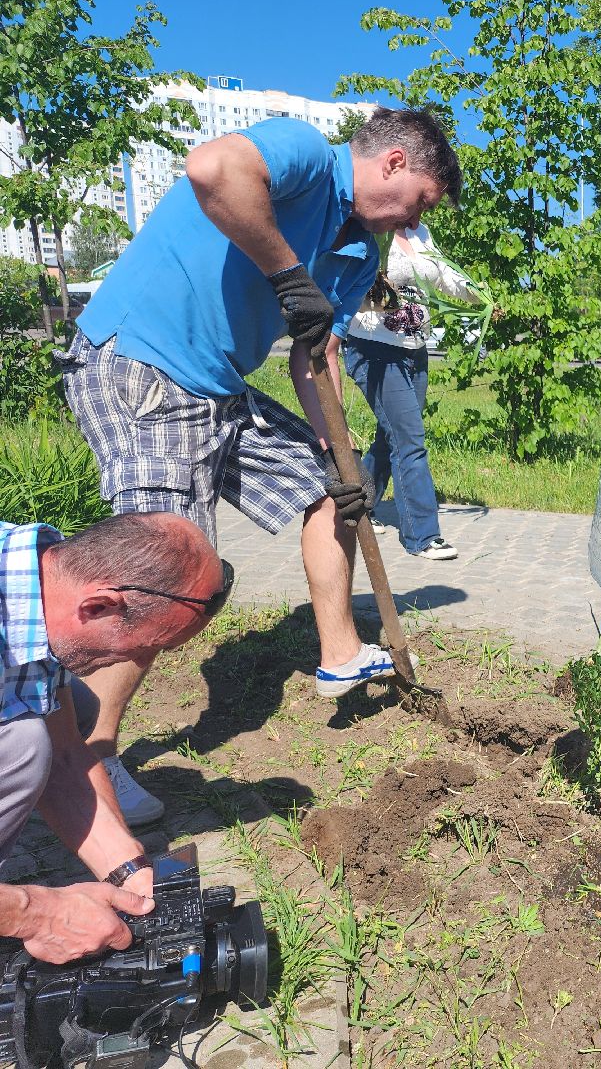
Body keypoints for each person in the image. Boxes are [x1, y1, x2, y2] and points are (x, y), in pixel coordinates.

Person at [55, 107, 461, 826]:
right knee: (165, 571)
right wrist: (285, 271)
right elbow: (212, 170)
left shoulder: (359, 254)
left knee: (331, 491)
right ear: (394, 163)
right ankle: (85, 756)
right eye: (419, 205)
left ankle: (339, 653)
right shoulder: (305, 157)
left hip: (217, 386)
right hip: (143, 363)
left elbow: (317, 352)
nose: (409, 227)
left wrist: (344, 459)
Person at [0, 512, 228, 963]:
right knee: (20, 747)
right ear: (99, 606)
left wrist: (130, 873)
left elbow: (66, 756)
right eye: (146, 648)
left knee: (67, 712)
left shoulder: (43, 582)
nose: (139, 661)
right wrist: (33, 912)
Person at [344, 224, 481, 560]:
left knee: (391, 435)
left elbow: (443, 272)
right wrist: (376, 299)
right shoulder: (373, 228)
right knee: (409, 440)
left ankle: (364, 504)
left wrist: (479, 295)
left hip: (414, 349)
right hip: (375, 349)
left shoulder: (421, 233)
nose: (426, 204)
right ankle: (422, 536)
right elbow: (347, 286)